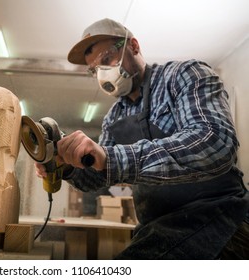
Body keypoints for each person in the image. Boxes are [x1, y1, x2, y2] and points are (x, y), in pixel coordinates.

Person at [35, 18, 249, 259]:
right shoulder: (114, 116)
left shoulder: (184, 75)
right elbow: (99, 173)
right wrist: (68, 166)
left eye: (106, 60)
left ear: (133, 46)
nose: (102, 73)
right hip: (158, 225)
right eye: (94, 69)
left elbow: (214, 141)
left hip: (220, 216)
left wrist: (113, 157)